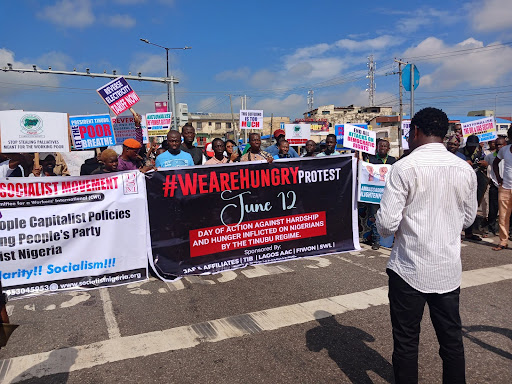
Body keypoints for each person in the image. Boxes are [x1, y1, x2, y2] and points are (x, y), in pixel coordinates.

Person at [376, 107, 476, 384]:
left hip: (409, 268)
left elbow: (385, 223)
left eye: (409, 132)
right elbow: (468, 219)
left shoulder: (403, 167)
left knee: (407, 342)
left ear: (416, 131)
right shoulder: (463, 169)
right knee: (452, 341)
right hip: (447, 269)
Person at [366, 139, 397, 250]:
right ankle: (376, 241)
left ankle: (391, 240)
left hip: (388, 194)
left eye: (385, 146)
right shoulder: (371, 159)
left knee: (389, 217)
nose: (382, 148)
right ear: (377, 148)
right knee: (375, 217)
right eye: (380, 146)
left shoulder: (393, 161)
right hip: (374, 194)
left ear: (388, 149)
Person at [458, 134, 488, 241]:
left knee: (472, 206)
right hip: (461, 182)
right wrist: (464, 163)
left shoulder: (479, 152)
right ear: (466, 144)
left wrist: (485, 164)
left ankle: (469, 233)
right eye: (470, 145)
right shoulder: (459, 153)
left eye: (474, 146)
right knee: (460, 206)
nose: (472, 147)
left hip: (475, 182)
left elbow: (485, 162)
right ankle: (457, 232)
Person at [492, 128, 512, 250]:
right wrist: (499, 179)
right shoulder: (504, 150)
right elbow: (495, 163)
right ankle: (503, 241)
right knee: (503, 216)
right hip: (505, 187)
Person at [485, 137, 506, 236]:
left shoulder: (509, 156)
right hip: (495, 185)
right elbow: (484, 165)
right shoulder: (491, 156)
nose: (499, 147)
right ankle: (491, 229)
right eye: (497, 145)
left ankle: (509, 231)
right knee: (493, 210)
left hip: (507, 186)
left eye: (501, 145)